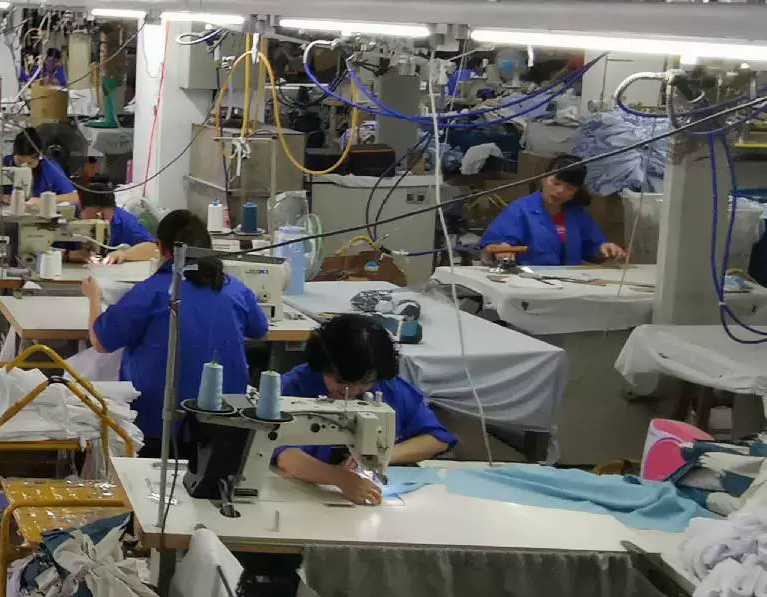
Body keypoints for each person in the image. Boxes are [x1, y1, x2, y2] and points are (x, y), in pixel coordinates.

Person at [85, 209, 269, 443]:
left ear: (161, 248)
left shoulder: (153, 292)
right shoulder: (235, 289)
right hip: (227, 424)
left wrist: (93, 297)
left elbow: (100, 342)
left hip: (157, 425)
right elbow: (261, 330)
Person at [274, 313, 456, 505]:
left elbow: (437, 439)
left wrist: (384, 455)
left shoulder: (389, 388)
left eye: (365, 382)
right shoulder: (292, 389)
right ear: (322, 367)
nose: (352, 392)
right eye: (341, 382)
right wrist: (340, 479)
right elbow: (284, 454)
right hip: (300, 497)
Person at [480, 153, 627, 266]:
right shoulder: (520, 210)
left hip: (569, 284)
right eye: (556, 183)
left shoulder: (577, 214)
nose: (560, 191)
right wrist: (500, 250)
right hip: (527, 283)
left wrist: (605, 248)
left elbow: (593, 247)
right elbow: (490, 248)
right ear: (544, 177)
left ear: (576, 192)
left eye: (570, 188)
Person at [76, 183, 156, 252]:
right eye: (94, 218)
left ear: (114, 209)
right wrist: (70, 255)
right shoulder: (70, 215)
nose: (99, 221)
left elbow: (153, 247)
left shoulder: (126, 222)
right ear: (81, 207)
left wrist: (125, 254)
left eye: (103, 218)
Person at [9, 128, 76, 201]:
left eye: (30, 163)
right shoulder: (5, 163)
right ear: (13, 153)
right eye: (20, 162)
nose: (24, 166)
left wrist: (42, 200)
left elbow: (74, 197)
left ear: (40, 155)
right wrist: (0, 197)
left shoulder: (50, 168)